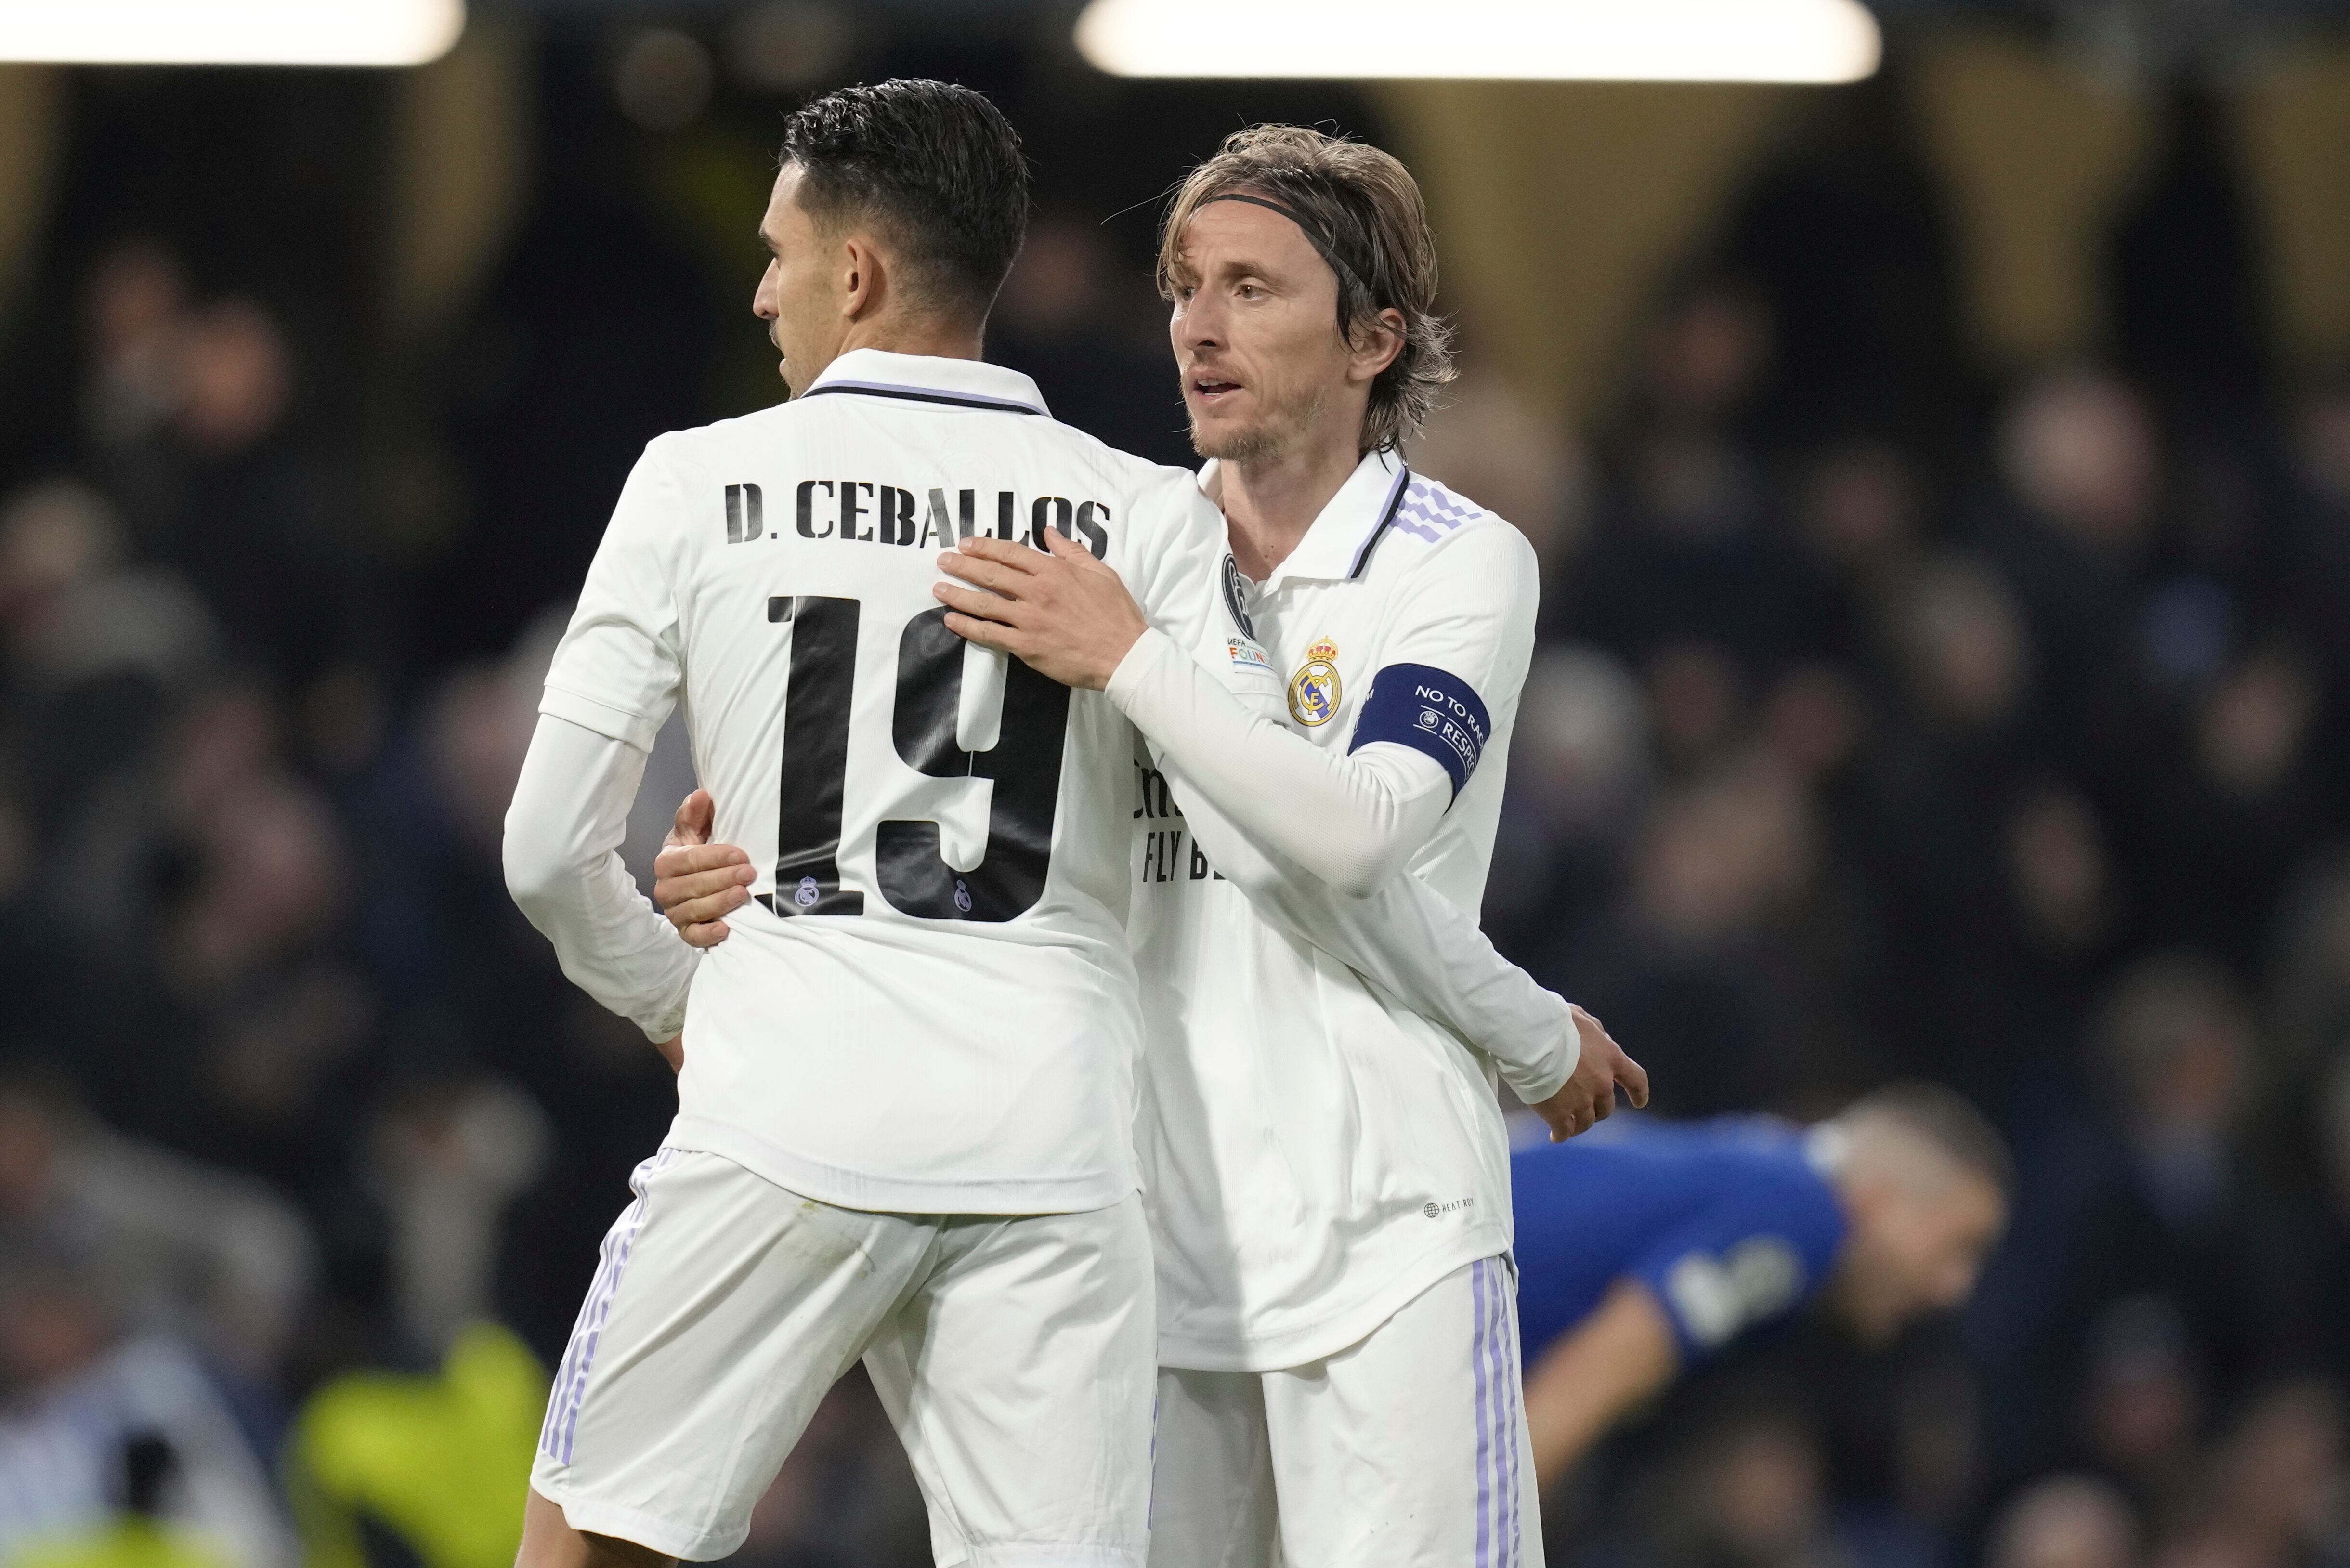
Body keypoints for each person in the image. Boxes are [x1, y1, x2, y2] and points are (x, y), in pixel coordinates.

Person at [507, 85, 1632, 1568]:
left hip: (1287, 1200)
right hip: (1082, 1164)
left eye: (1250, 288)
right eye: (1184, 289)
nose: (1200, 328)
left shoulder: (713, 477)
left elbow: (1334, 846)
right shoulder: (1143, 518)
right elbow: (1226, 826)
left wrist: (693, 984)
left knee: (595, 1530)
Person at [1506, 1085, 2011, 1492]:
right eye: (1956, 1247)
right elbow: (1589, 1376)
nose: (1955, 1288)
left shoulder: (1769, 1170)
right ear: (1878, 1200)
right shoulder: (1801, 1218)